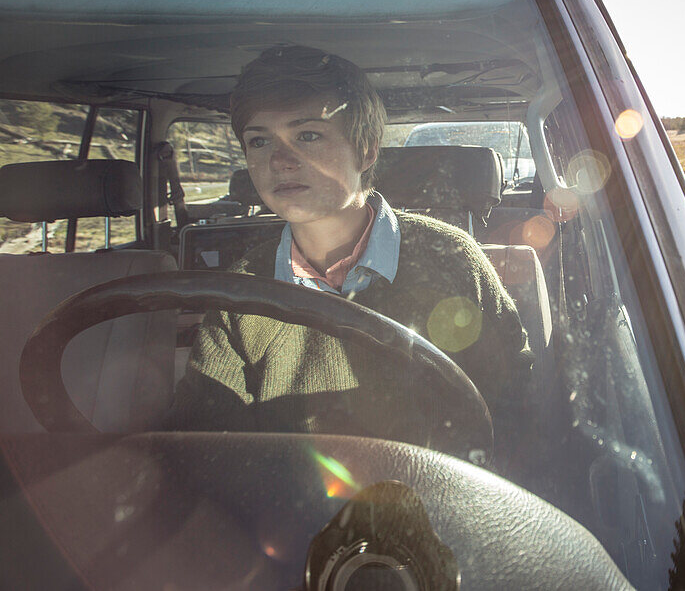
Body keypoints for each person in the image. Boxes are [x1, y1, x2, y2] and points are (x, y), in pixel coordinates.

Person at [170, 45, 532, 455]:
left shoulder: (450, 259)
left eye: (307, 135)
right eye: (259, 141)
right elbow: (204, 442)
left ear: (366, 150)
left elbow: (516, 406)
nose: (280, 160)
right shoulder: (240, 293)